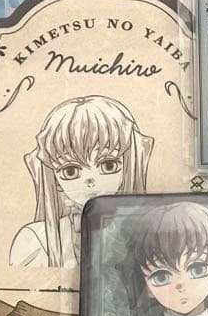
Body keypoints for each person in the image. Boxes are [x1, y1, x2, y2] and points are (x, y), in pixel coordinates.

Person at [11, 96, 152, 268]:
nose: (90, 181)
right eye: (70, 171)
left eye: (108, 165)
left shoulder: (148, 233)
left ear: (128, 164)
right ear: (54, 178)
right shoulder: (36, 241)